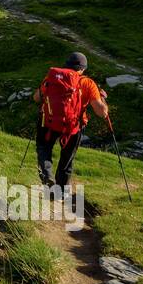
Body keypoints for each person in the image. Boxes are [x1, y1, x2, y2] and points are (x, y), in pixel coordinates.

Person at [32, 52, 109, 188]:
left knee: (43, 148)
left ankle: (47, 174)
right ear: (83, 69)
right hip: (73, 126)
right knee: (67, 158)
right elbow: (101, 113)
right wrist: (102, 98)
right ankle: (60, 192)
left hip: (48, 122)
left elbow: (37, 98)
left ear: (66, 64)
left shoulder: (53, 77)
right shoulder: (88, 83)